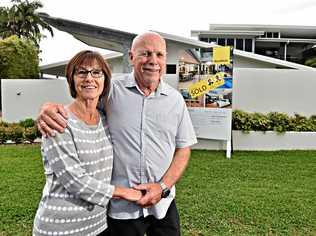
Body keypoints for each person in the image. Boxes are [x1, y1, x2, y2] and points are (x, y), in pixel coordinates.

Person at [38, 32, 197, 236]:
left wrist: (163, 186)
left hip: (163, 203)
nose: (153, 61)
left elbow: (183, 149)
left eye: (159, 55)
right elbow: (84, 103)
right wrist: (48, 107)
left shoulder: (175, 100)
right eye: (145, 53)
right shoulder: (111, 90)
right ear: (131, 57)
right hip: (122, 210)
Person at [33, 50, 141, 236]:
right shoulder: (59, 121)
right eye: (82, 72)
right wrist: (124, 192)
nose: (89, 78)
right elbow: (75, 181)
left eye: (96, 72)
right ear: (72, 80)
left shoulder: (106, 119)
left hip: (99, 226)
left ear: (105, 80)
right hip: (61, 228)